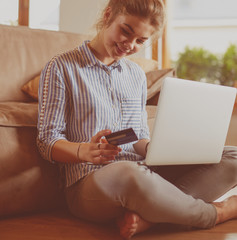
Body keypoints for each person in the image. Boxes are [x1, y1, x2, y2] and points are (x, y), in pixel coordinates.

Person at [37, 0, 237, 239]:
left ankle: (150, 219)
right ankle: (216, 213)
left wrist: (159, 149)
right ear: (108, 15)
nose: (129, 45)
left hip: (143, 171)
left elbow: (137, 137)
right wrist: (84, 151)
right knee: (129, 173)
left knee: (233, 156)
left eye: (140, 41)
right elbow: (46, 141)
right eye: (126, 31)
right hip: (88, 182)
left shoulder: (135, 76)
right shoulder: (61, 67)